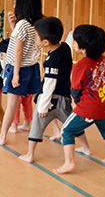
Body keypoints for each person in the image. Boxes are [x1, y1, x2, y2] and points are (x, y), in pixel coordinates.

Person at [55, 24, 105, 175]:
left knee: (67, 130)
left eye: (75, 42)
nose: (73, 44)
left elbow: (75, 89)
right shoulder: (102, 60)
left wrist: (77, 102)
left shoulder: (80, 66)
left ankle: (69, 162)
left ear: (83, 49)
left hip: (88, 108)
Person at [0, 0, 43, 146]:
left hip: (17, 68)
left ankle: (2, 136)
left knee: (12, 104)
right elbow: (23, 42)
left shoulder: (22, 25)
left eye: (15, 1)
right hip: (33, 67)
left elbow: (18, 50)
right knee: (39, 99)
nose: (13, 5)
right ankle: (55, 131)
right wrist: (13, 25)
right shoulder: (37, 23)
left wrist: (16, 74)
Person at [19, 17, 74, 163]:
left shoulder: (52, 60)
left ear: (45, 42)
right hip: (65, 96)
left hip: (52, 98)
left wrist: (42, 105)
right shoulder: (64, 48)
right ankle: (86, 147)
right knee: (72, 123)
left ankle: (30, 154)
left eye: (36, 36)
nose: (35, 38)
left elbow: (50, 84)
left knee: (37, 123)